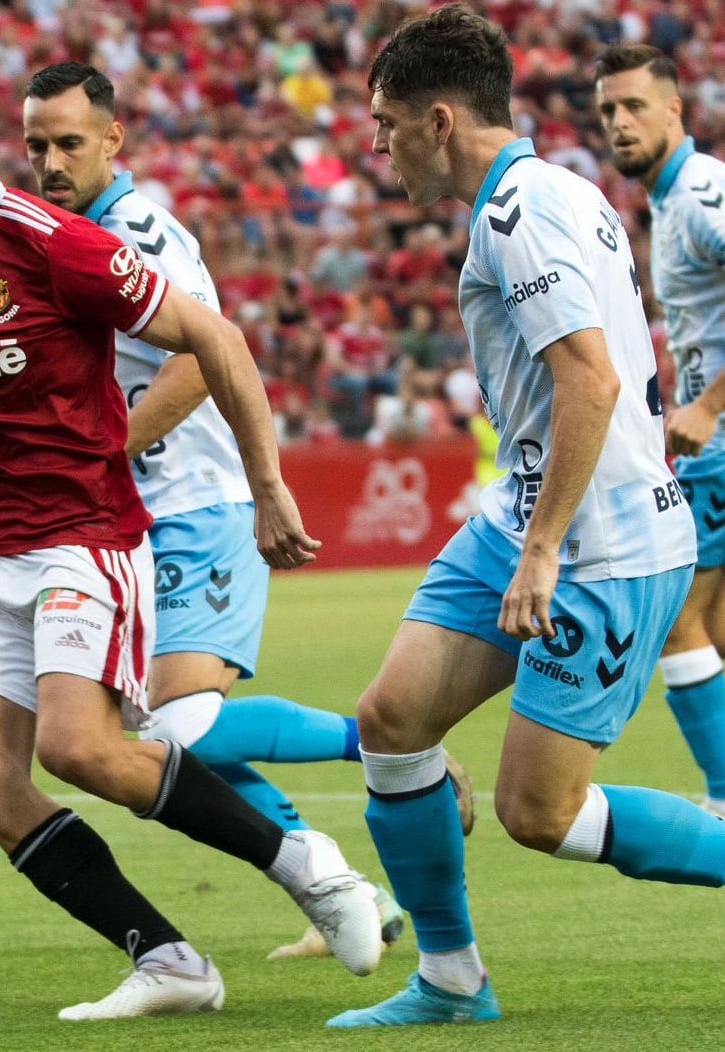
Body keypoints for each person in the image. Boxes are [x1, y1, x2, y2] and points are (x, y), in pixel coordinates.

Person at [0, 44, 381, 1023]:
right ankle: (167, 957)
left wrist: (267, 486)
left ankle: (310, 866)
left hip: (85, 536)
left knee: (79, 747)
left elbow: (212, 336)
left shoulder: (56, 244)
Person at [20, 60, 483, 963]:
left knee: (177, 726)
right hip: (137, 523)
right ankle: (332, 883)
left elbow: (203, 357)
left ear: (112, 140)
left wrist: (98, 456)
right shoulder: (64, 236)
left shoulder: (137, 229)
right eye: (35, 144)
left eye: (68, 142)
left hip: (196, 506)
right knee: (173, 735)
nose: (48, 160)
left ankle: (389, 749)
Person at [330, 5, 720, 1029]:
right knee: (389, 720)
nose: (376, 144)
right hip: (529, 509)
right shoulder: (550, 188)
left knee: (535, 814)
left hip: (604, 544)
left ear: (440, 118)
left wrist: (541, 550)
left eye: (384, 123)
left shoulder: (521, 216)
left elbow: (587, 383)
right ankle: (452, 979)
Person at [594, 44, 725, 817]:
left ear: (675, 109)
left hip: (720, 443)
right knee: (709, 625)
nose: (618, 122)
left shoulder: (702, 195)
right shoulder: (674, 199)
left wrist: (708, 407)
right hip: (711, 444)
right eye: (608, 109)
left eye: (635, 106)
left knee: (677, 622)